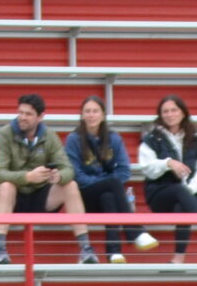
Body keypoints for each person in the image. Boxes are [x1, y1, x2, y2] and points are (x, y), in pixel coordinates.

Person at [0, 93, 90, 266]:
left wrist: (59, 176)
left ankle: (86, 249)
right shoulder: (3, 135)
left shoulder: (49, 136)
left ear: (40, 117)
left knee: (70, 185)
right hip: (10, 197)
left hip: (39, 197)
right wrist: (27, 177)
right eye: (20, 112)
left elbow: (68, 169)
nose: (22, 117)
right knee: (6, 186)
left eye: (28, 114)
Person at [65, 95, 157, 262]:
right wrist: (104, 182)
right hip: (84, 196)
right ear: (82, 115)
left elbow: (124, 171)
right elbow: (76, 175)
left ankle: (113, 252)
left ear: (102, 115)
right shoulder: (74, 139)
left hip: (107, 193)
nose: (91, 115)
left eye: (95, 111)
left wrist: (106, 184)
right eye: (87, 111)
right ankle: (134, 231)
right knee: (112, 184)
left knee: (109, 196)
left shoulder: (113, 138)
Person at [135, 94, 197, 260]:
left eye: (174, 110)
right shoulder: (151, 139)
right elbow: (147, 168)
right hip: (159, 194)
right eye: (165, 111)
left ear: (183, 112)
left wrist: (189, 190)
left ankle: (179, 257)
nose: (170, 114)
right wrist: (168, 163)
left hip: (189, 195)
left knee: (183, 204)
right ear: (160, 115)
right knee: (178, 190)